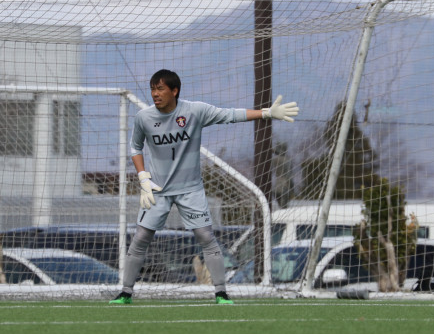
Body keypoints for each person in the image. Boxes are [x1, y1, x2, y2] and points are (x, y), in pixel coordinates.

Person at [110, 69, 299, 305]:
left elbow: (230, 114)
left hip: (191, 189)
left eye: (160, 89)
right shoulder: (144, 117)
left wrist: (267, 112)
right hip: (157, 190)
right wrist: (143, 179)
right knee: (140, 238)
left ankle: (221, 293)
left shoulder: (195, 111)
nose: (155, 94)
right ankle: (125, 293)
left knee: (206, 237)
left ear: (174, 91)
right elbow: (135, 148)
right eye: (152, 89)